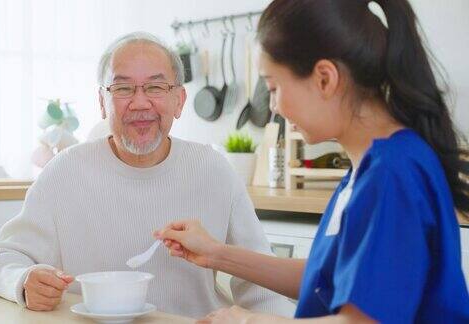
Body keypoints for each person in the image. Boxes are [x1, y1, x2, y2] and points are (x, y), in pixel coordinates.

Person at [155, 0, 469, 322]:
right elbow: (326, 281)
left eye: (273, 87)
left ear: (324, 79)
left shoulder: (392, 173)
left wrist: (247, 320)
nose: (273, 107)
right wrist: (216, 254)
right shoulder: (366, 169)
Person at [0, 32, 293, 318]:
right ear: (102, 102)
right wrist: (23, 281)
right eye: (123, 88)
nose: (140, 103)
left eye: (155, 87)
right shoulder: (65, 172)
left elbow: (261, 285)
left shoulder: (214, 169)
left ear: (178, 100)